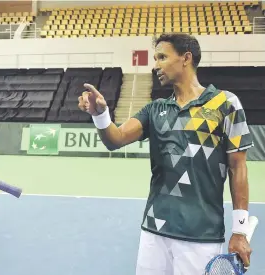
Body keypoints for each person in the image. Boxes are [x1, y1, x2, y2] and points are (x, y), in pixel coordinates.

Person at [78, 33, 254, 274]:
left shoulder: (225, 103)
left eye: (162, 57)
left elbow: (238, 167)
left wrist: (240, 230)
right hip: (154, 230)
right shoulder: (155, 109)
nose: (156, 64)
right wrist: (100, 114)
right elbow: (115, 139)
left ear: (186, 58)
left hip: (201, 234)